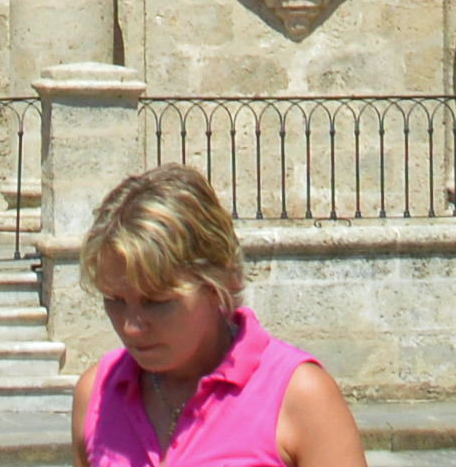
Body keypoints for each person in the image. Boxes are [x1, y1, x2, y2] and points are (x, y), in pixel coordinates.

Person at [71, 165, 361, 467]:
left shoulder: (298, 396)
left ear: (218, 282)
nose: (131, 326)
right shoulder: (97, 394)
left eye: (156, 301)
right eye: (115, 300)